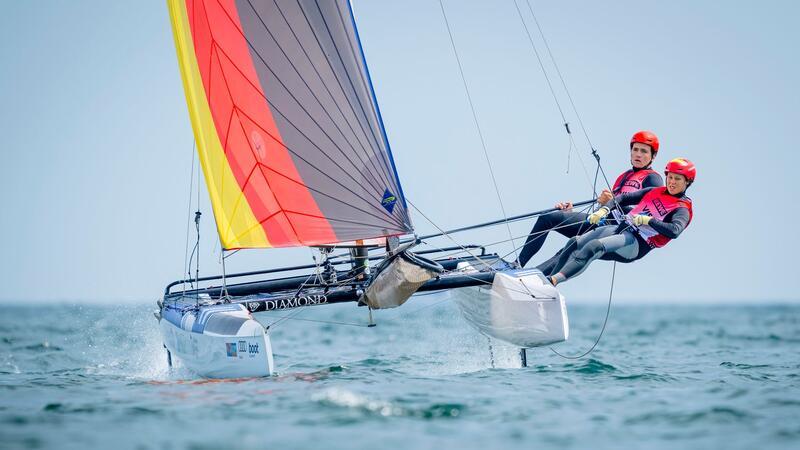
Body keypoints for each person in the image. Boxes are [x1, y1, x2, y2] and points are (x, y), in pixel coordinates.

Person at [517, 131, 663, 269]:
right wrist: (571, 213)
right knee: (548, 218)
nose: (638, 154)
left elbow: (651, 216)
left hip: (622, 234)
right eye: (635, 149)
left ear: (653, 156)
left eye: (644, 151)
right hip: (603, 223)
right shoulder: (623, 177)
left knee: (572, 248)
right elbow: (609, 209)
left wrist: (613, 202)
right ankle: (518, 265)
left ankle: (532, 279)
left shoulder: (653, 179)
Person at [541, 158, 695, 286]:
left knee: (594, 247)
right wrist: (604, 210)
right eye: (670, 177)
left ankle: (554, 280)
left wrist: (649, 220)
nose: (672, 182)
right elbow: (622, 198)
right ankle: (547, 286)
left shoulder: (682, 208)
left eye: (678, 179)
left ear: (687, 182)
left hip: (636, 243)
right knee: (575, 242)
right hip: (621, 228)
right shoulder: (655, 191)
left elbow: (674, 230)